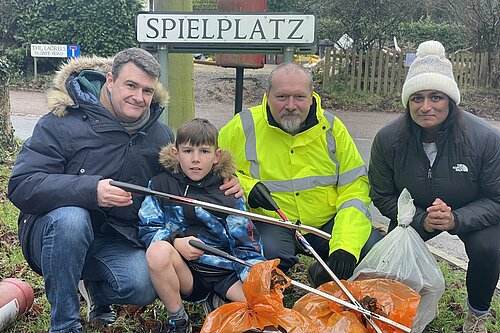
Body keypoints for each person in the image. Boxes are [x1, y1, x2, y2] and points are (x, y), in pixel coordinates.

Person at [7, 48, 241, 333]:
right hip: (52, 232)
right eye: (131, 85)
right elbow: (22, 184)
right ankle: (65, 324)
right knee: (72, 219)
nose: (139, 97)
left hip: (117, 238)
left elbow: (185, 181)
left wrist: (224, 178)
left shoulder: (160, 135)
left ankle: (94, 289)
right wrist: (90, 190)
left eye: (147, 90)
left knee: (142, 285)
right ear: (110, 80)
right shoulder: (60, 122)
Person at [368, 40, 500, 333]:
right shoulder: (388, 140)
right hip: (414, 213)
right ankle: (401, 312)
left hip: (469, 211)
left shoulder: (485, 139)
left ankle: (477, 314)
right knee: (393, 257)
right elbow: (380, 193)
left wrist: (457, 219)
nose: (426, 107)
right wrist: (420, 219)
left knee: (489, 248)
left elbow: (497, 198)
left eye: (436, 97)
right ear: (407, 102)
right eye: (417, 98)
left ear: (450, 100)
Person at [219, 62, 383, 287]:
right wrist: (247, 187)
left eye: (299, 97)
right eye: (282, 97)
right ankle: (270, 293)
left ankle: (322, 275)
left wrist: (346, 244)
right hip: (271, 223)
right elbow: (213, 168)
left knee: (369, 250)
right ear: (267, 96)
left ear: (312, 96)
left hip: (325, 223)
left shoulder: (333, 129)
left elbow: (355, 189)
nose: (291, 105)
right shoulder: (242, 126)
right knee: (262, 256)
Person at [137, 118, 266, 333]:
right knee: (158, 252)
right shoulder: (160, 184)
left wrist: (254, 280)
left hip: (224, 273)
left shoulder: (228, 190)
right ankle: (178, 321)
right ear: (176, 152)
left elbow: (246, 245)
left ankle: (219, 301)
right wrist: (175, 242)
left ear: (216, 156)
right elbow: (148, 228)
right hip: (186, 272)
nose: (195, 159)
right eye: (188, 151)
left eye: (204, 152)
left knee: (264, 313)